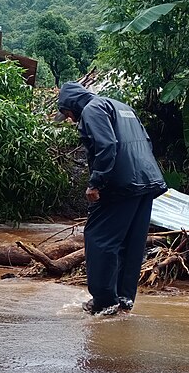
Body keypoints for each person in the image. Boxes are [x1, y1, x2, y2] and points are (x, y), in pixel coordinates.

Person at [56, 82, 168, 315]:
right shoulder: (121, 106)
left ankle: (105, 302)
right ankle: (124, 300)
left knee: (99, 238)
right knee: (131, 242)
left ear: (72, 104)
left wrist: (96, 182)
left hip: (121, 184)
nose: (69, 119)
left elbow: (107, 146)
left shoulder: (92, 109)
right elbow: (147, 142)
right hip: (147, 181)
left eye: (66, 114)